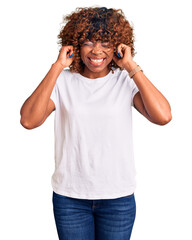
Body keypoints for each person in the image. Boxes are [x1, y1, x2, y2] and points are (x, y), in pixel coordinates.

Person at [20, 7, 172, 240]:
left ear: (118, 46)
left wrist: (131, 67)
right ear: (75, 44)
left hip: (118, 198)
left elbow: (163, 116)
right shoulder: (63, 82)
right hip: (70, 198)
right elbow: (29, 120)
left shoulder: (124, 81)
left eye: (105, 42)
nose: (97, 50)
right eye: (89, 42)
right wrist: (58, 66)